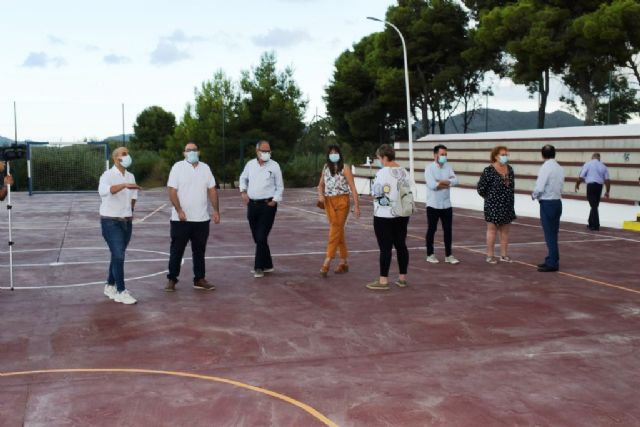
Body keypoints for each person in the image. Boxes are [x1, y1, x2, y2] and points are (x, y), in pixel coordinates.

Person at [165, 142, 220, 292]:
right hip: (181, 220)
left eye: (194, 150)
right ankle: (172, 279)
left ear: (199, 152)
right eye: (188, 150)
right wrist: (179, 210)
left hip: (201, 219)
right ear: (184, 153)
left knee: (199, 251)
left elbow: (212, 190)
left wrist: (216, 210)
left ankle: (199, 279)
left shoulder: (205, 168)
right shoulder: (177, 167)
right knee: (177, 251)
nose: (192, 152)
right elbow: (172, 190)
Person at [367, 144, 412, 291]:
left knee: (385, 248)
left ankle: (383, 280)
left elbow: (376, 192)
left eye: (379, 158)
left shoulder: (382, 172)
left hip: (383, 215)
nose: (379, 161)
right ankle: (402, 278)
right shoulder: (404, 171)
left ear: (384, 157)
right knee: (401, 245)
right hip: (402, 213)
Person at [98, 147, 139, 304]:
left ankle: (109, 285)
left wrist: (130, 211)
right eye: (124, 154)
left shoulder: (131, 175)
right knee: (119, 255)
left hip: (126, 221)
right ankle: (121, 291)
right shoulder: (107, 175)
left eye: (128, 153)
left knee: (117, 254)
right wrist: (124, 185)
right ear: (116, 158)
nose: (128, 156)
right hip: (110, 221)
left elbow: (133, 196)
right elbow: (104, 191)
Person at [239, 140, 284, 278]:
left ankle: (258, 267)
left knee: (261, 236)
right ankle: (268, 264)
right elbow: (242, 178)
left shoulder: (275, 166)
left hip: (267, 206)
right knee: (257, 237)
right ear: (257, 151)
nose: (266, 153)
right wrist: (243, 191)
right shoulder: (250, 165)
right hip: (252, 205)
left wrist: (275, 201)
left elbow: (280, 186)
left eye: (268, 151)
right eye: (264, 151)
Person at [317, 145, 361, 276]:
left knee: (335, 229)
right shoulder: (325, 167)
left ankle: (327, 260)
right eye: (331, 152)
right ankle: (343, 261)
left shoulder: (345, 168)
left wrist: (356, 206)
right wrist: (320, 195)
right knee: (338, 230)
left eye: (336, 152)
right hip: (328, 201)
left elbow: (353, 187)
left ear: (340, 154)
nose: (333, 154)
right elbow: (320, 185)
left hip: (342, 201)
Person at [477, 146, 516, 264]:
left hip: (507, 204)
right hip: (492, 205)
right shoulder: (488, 170)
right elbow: (480, 188)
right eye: (503, 154)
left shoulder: (510, 169)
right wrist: (490, 198)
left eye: (506, 154)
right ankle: (490, 255)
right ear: (495, 156)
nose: (505, 157)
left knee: (505, 231)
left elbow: (512, 186)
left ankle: (504, 255)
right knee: (492, 230)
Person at [424, 144, 460, 264]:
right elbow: (432, 185)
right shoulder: (429, 168)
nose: (444, 156)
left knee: (448, 230)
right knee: (432, 229)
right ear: (435, 155)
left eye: (445, 154)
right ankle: (430, 254)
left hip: (446, 204)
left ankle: (448, 255)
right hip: (433, 204)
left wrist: (444, 182)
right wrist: (446, 183)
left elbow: (456, 181)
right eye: (442, 154)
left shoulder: (448, 167)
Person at [532, 144, 565, 272]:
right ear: (554, 153)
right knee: (554, 233)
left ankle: (552, 262)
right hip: (557, 202)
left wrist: (534, 195)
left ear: (542, 155)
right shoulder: (559, 168)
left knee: (549, 234)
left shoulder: (545, 167)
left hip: (547, 203)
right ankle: (552, 258)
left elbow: (540, 187)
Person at [575, 153, 610, 231]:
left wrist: (577, 185)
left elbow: (581, 176)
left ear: (592, 157)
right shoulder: (603, 166)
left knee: (593, 205)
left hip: (591, 186)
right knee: (595, 205)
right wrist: (607, 191)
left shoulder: (588, 164)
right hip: (599, 187)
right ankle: (591, 222)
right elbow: (607, 180)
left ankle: (596, 225)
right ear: (599, 158)